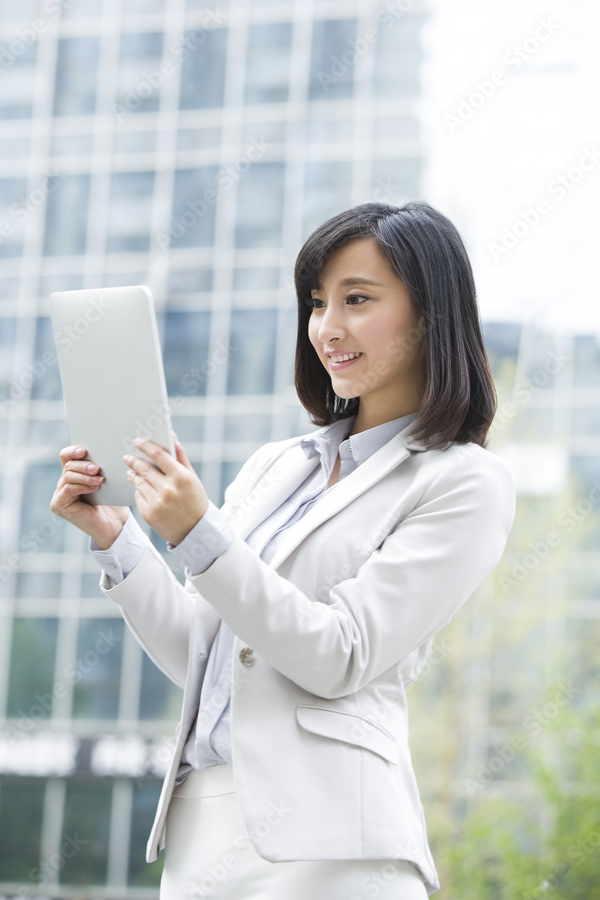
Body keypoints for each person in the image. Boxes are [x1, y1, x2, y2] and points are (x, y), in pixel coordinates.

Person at [50, 201, 516, 898]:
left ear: (428, 316)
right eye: (317, 302)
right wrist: (120, 540)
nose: (327, 327)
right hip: (203, 834)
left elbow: (339, 656)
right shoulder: (277, 465)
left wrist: (196, 531)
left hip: (333, 851)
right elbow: (200, 655)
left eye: (357, 300)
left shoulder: (462, 481)